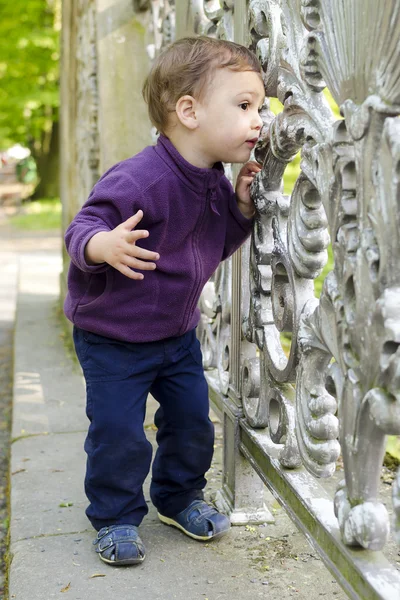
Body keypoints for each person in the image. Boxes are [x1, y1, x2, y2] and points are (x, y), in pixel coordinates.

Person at [64, 35, 265, 566]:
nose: (259, 121)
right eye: (245, 106)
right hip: (113, 336)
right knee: (119, 433)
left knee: (192, 422)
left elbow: (214, 248)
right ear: (188, 111)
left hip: (175, 336)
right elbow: (81, 228)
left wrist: (241, 209)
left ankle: (178, 497)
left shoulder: (214, 184)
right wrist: (101, 245)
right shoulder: (141, 178)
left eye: (261, 107)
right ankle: (114, 517)